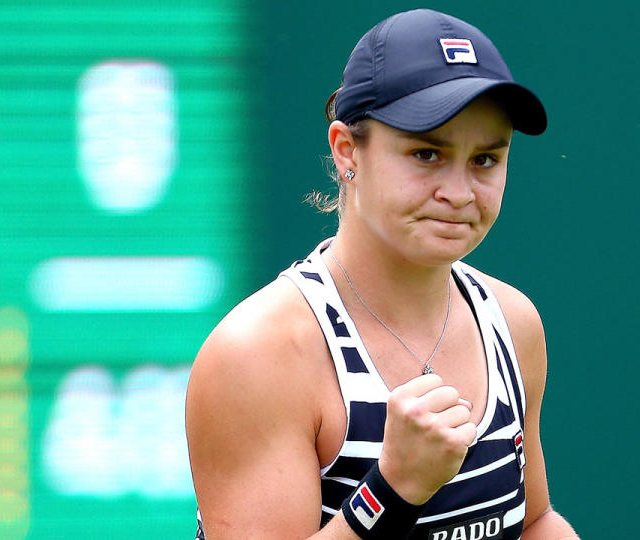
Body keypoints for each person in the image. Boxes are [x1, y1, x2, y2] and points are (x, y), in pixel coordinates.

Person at [186, 8, 579, 539]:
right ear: (347, 150)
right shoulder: (256, 355)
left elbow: (534, 523)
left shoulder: (514, 324)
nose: (459, 193)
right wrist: (392, 489)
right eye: (426, 153)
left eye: (486, 160)